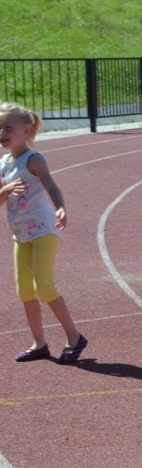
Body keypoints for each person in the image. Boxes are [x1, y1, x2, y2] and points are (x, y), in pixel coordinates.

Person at [0, 105, 86, 364]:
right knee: (25, 291)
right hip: (21, 234)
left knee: (44, 287)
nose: (2, 133)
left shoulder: (33, 160)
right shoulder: (3, 164)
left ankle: (75, 337)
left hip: (44, 231)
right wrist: (6, 191)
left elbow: (51, 186)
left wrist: (61, 208)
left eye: (8, 128)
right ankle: (39, 344)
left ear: (25, 131)